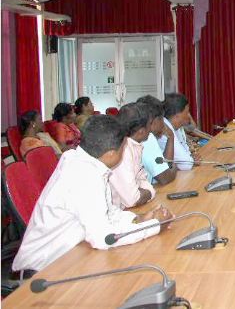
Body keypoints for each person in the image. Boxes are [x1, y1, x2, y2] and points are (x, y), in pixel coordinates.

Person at [12, 115, 174, 273]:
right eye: (123, 149)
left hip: (71, 255)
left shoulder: (84, 160)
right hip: (43, 268)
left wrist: (139, 218)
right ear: (111, 153)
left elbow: (108, 212)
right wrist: (154, 226)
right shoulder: (85, 175)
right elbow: (104, 238)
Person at [110, 103, 156, 209]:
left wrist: (145, 190)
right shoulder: (122, 151)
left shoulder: (134, 146)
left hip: (128, 210)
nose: (151, 129)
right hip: (118, 213)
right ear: (141, 131)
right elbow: (132, 199)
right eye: (149, 125)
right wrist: (150, 192)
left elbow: (143, 180)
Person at [137, 95, 177, 185]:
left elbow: (164, 165)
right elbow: (164, 177)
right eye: (162, 119)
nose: (163, 124)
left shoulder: (137, 133)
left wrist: (170, 137)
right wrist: (174, 168)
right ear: (154, 121)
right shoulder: (147, 139)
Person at [158, 93, 200, 170]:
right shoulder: (164, 130)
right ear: (177, 115)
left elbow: (187, 153)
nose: (188, 116)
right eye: (186, 112)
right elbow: (186, 165)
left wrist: (192, 157)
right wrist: (191, 160)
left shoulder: (176, 127)